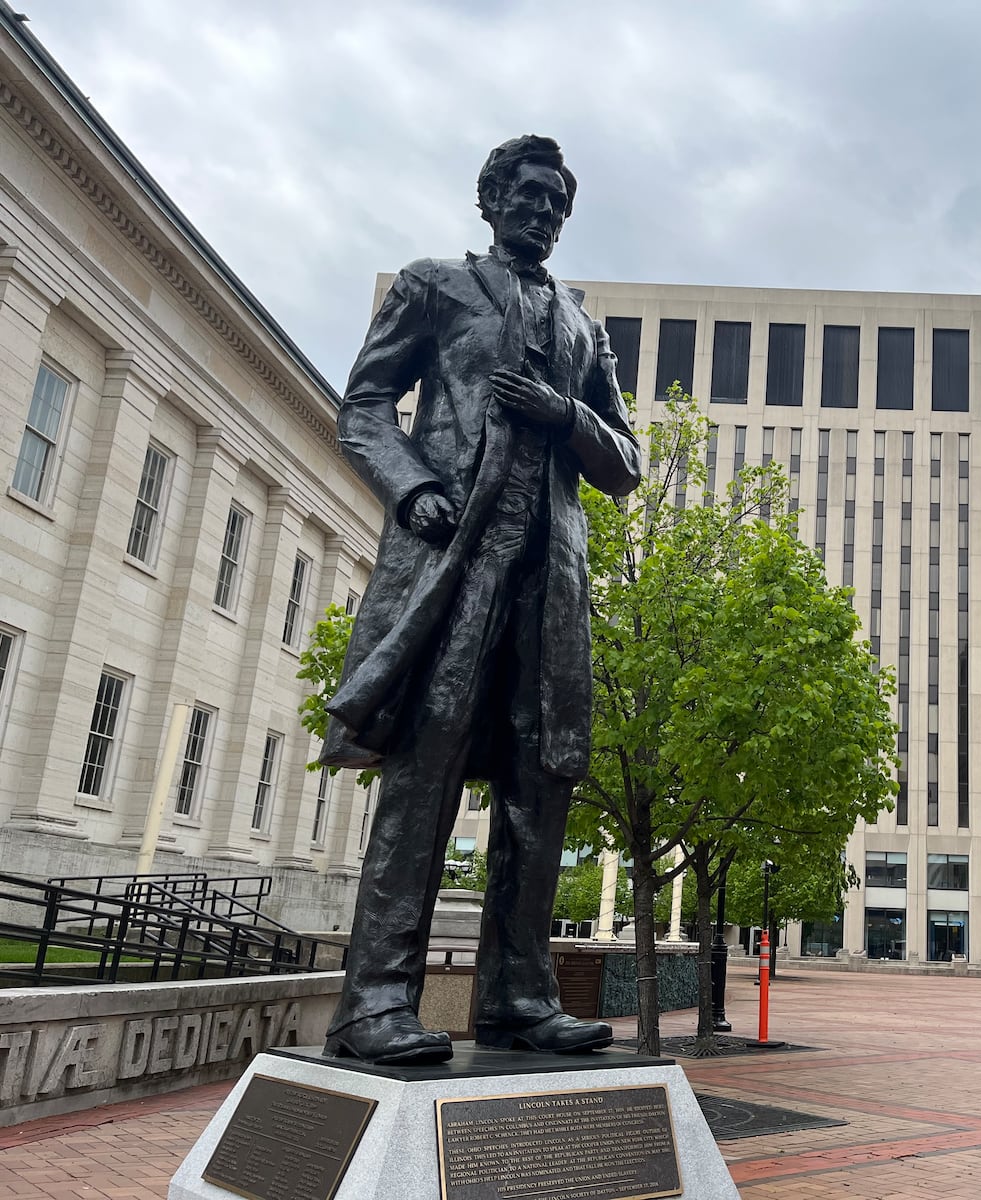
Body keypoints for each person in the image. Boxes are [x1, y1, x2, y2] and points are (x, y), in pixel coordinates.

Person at [318, 135, 643, 1064]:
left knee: (544, 777)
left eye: (558, 203)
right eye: (530, 195)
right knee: (425, 764)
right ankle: (375, 1000)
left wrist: (563, 413)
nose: (544, 213)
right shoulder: (434, 286)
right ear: (493, 198)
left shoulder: (581, 325)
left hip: (552, 577)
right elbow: (365, 407)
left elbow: (623, 463)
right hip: (456, 556)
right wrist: (413, 487)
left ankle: (519, 996)